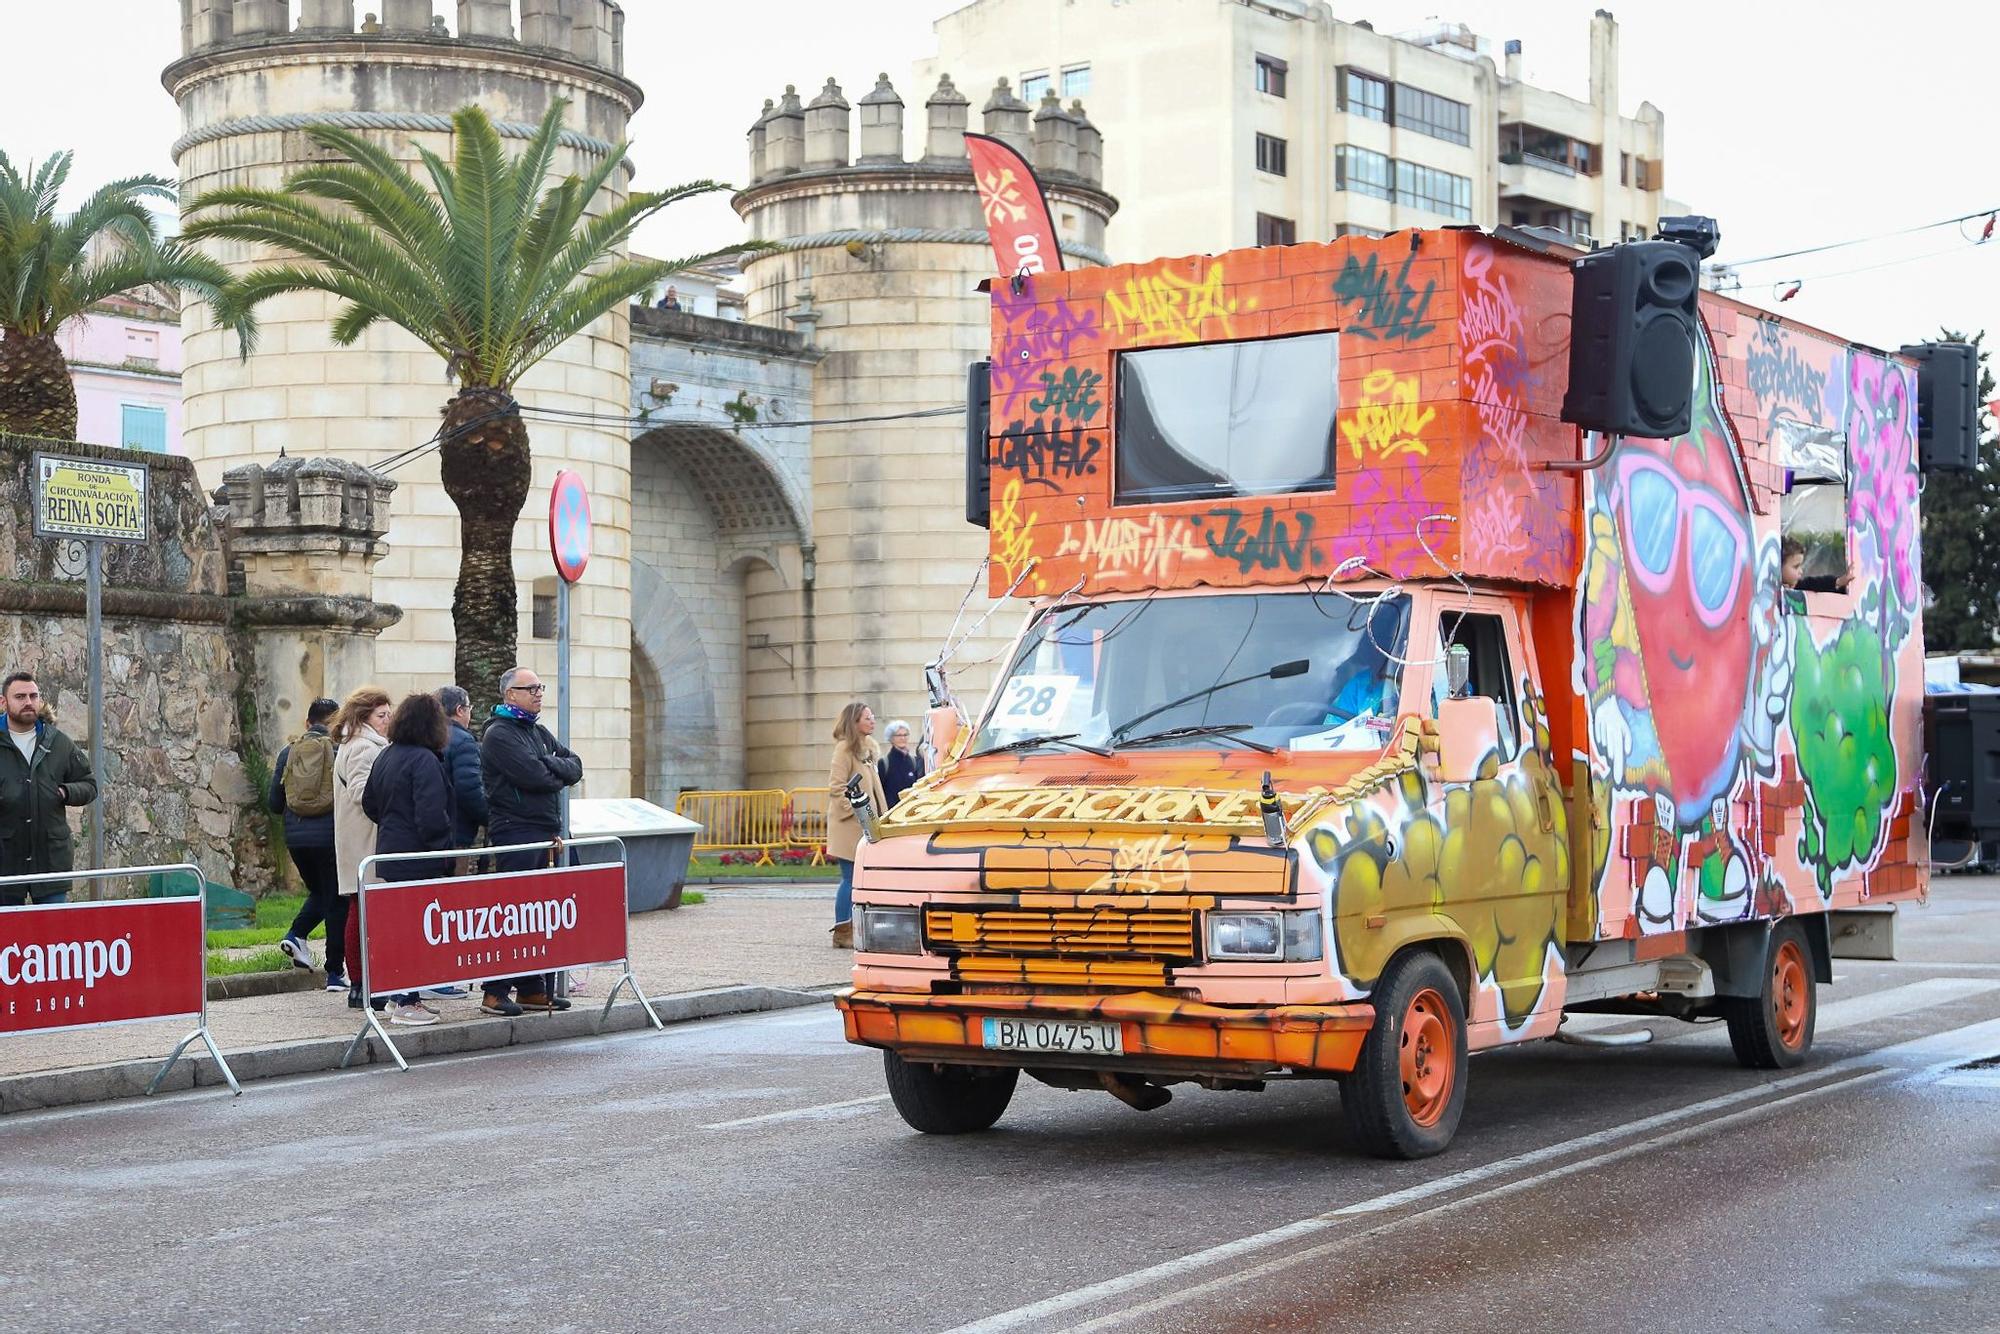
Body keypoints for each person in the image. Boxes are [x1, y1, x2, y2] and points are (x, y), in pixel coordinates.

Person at [479, 666, 583, 1017]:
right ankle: (495, 991)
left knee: (541, 916)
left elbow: (575, 765)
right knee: (513, 914)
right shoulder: (499, 734)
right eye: (531, 688)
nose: (539, 693)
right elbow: (535, 776)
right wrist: (552, 769)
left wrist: (548, 764)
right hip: (516, 831)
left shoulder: (537, 731)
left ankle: (532, 988)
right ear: (510, 694)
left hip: (545, 830)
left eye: (541, 686)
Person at [362, 693, 458, 1026]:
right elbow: (432, 815)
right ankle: (407, 999)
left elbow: (369, 804)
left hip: (390, 852)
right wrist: (443, 848)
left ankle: (400, 996)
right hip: (419, 857)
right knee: (417, 930)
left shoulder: (386, 757)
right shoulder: (425, 760)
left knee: (401, 928)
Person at [268, 697, 348, 989]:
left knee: (320, 892)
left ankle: (296, 935)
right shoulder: (340, 751)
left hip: (297, 840)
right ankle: (335, 972)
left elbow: (274, 803)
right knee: (337, 900)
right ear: (335, 723)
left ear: (307, 723)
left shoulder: (288, 753)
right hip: (329, 838)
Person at [0, 672, 96, 906]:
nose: (28, 702)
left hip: (51, 861)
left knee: (54, 936)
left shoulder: (58, 743)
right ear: (3, 702)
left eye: (33, 696)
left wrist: (65, 792)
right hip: (5, 861)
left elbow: (89, 784)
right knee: (8, 938)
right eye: (20, 696)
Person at [332, 687, 392, 1010]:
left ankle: (363, 982)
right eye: (381, 716)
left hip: (362, 838)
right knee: (361, 910)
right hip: (364, 839)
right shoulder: (362, 748)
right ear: (364, 717)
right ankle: (360, 982)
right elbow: (361, 792)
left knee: (363, 909)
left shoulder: (359, 744)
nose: (387, 721)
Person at [826, 701, 885, 950]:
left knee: (867, 879)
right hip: (849, 826)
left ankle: (863, 928)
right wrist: (857, 810)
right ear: (855, 722)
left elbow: (874, 789)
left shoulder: (869, 751)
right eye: (867, 718)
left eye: (872, 717)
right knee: (850, 879)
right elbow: (837, 787)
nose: (872, 721)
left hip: (868, 824)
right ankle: (842, 931)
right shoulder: (844, 749)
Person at [437, 684, 488, 873]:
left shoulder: (427, 736)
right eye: (469, 709)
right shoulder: (463, 741)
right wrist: (490, 818)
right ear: (459, 710)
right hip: (458, 832)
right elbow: (469, 789)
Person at [877, 719, 926, 809]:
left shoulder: (913, 761)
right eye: (899, 735)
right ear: (891, 738)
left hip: (911, 811)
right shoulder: (884, 763)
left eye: (905, 735)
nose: (902, 738)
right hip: (891, 812)